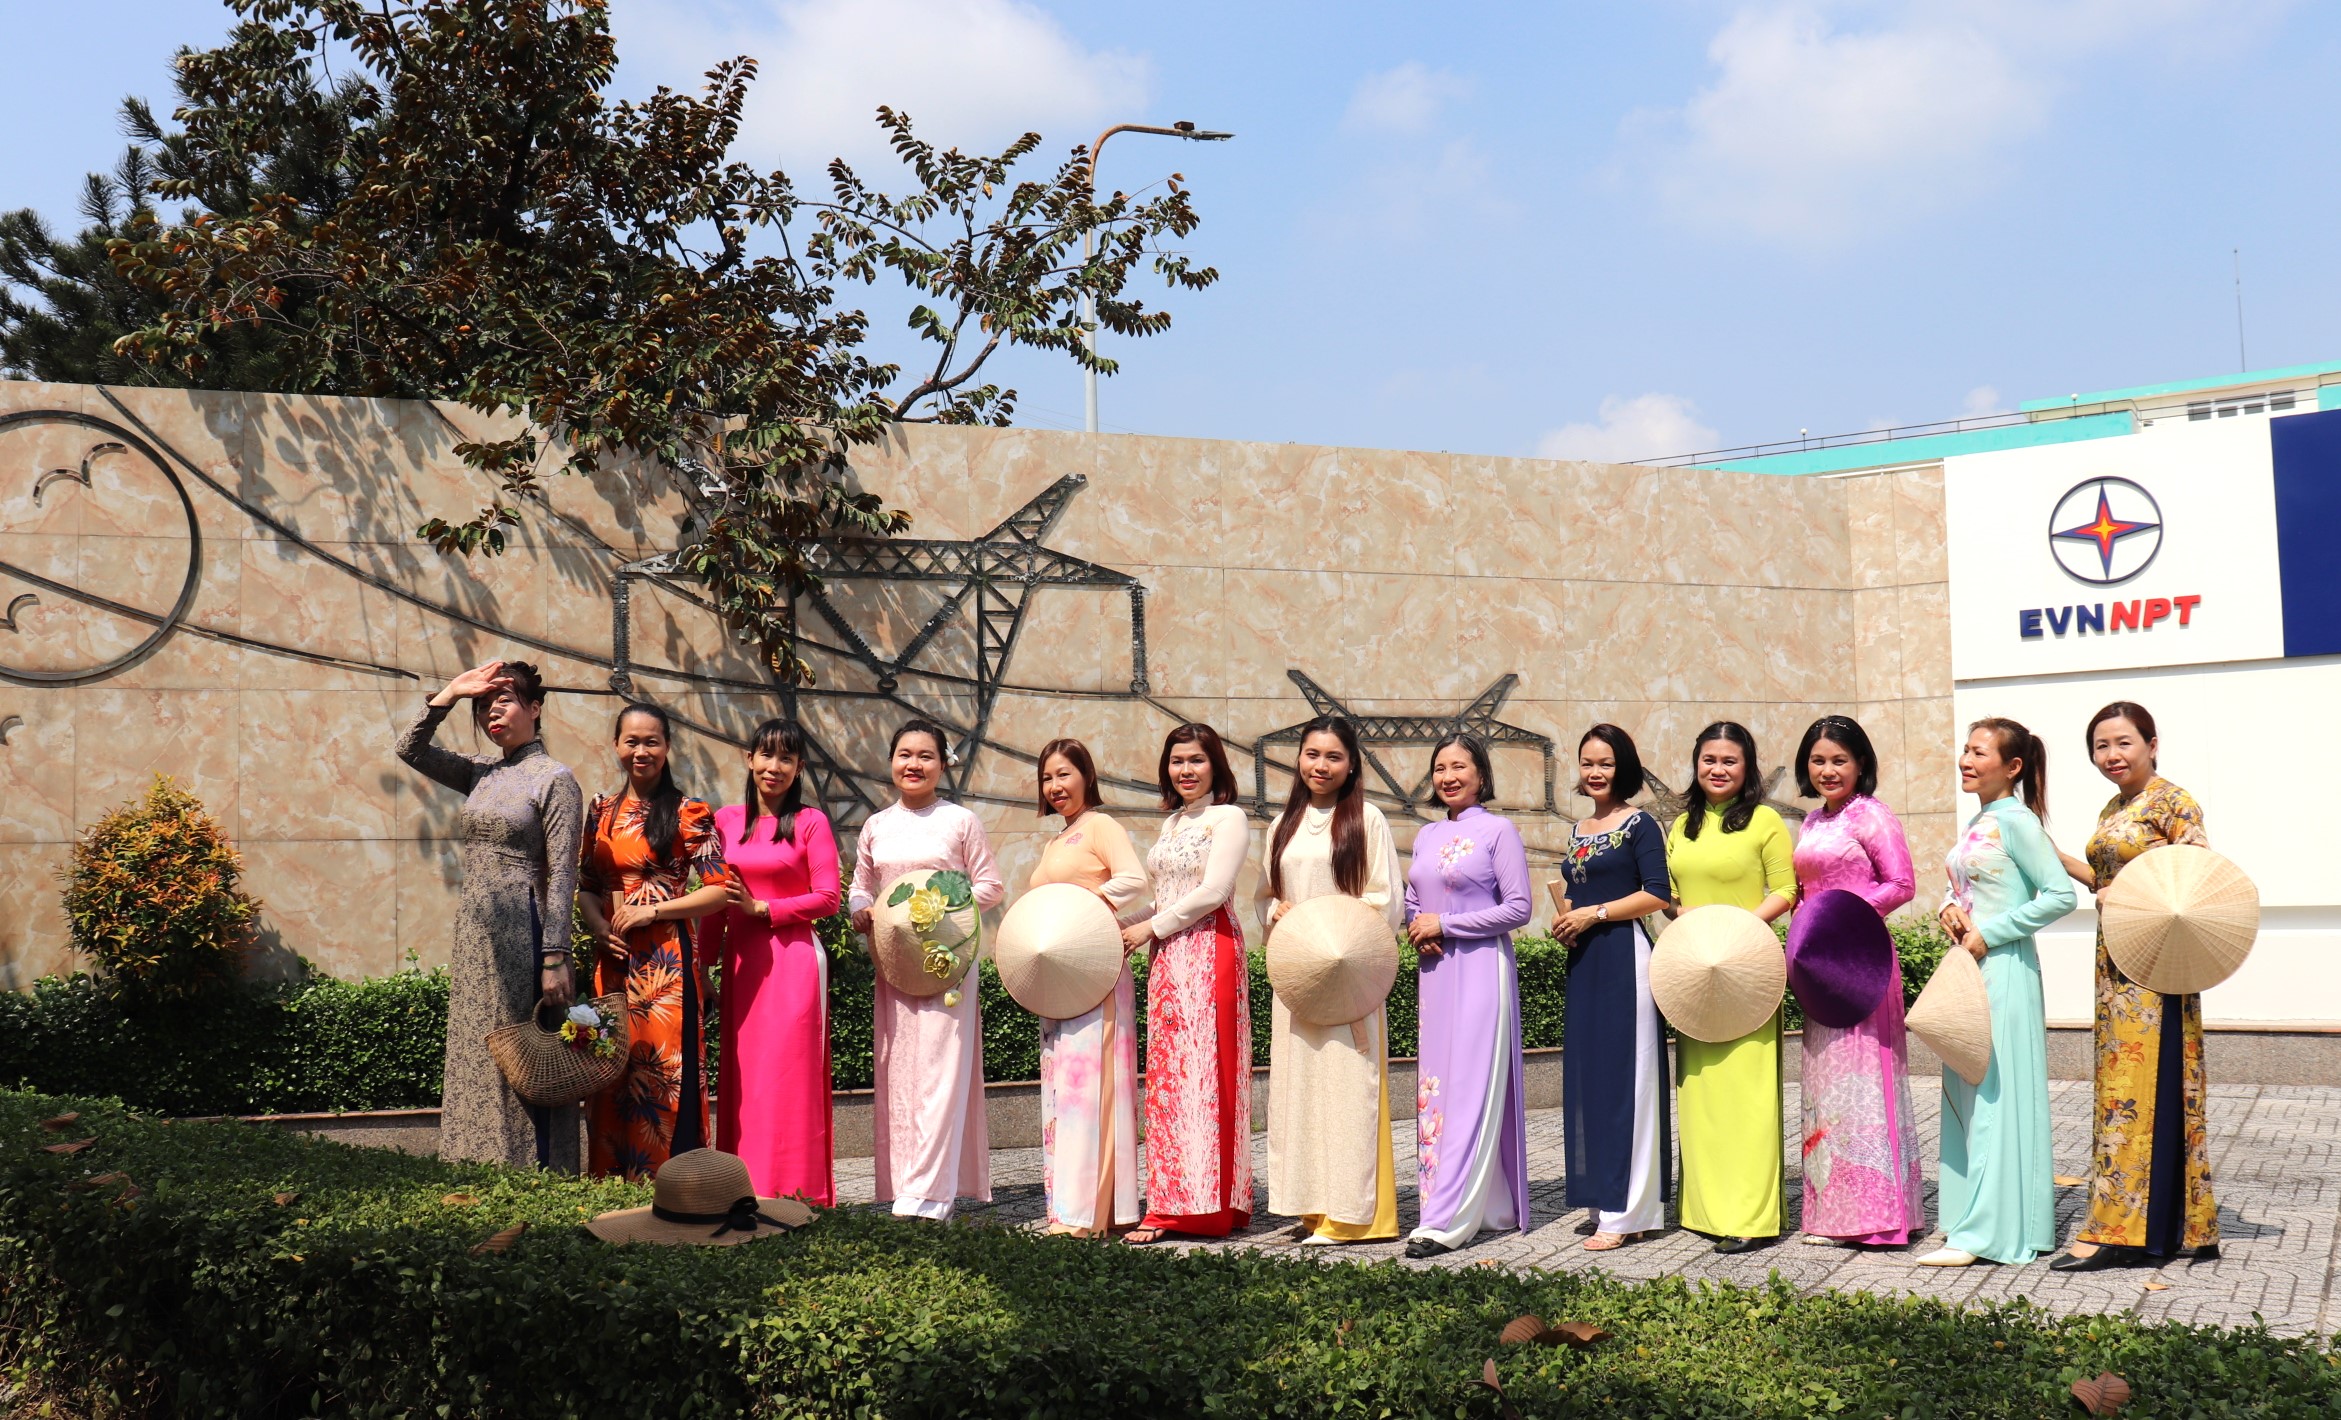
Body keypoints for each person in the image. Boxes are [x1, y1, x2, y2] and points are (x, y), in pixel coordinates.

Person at [2049, 702, 2219, 1272]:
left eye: (2124, 742)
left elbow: (2193, 884)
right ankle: (2166, 1226)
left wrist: (2122, 896)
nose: (2112, 755)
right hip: (2115, 964)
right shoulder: (2115, 806)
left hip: (2156, 970)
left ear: (2151, 744)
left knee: (2139, 1087)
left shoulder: (2174, 803)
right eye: (2101, 746)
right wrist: (2052, 856)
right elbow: (2103, 880)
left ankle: (2122, 1232)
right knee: (2122, 1086)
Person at [395, 659, 584, 1171]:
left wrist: (555, 955)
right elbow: (409, 748)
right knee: (476, 1048)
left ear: (535, 708)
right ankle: (475, 1164)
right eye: (482, 707)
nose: (490, 713)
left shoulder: (555, 779)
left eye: (503, 701)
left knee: (523, 1050)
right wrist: (451, 694)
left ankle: (535, 1170)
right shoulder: (481, 772)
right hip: (476, 930)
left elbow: (563, 873)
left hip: (525, 931)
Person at [1925, 717, 2073, 1267]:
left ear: (2012, 767)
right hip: (1972, 970)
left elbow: (2059, 895)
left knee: (1993, 1095)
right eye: (1965, 750)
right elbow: (1968, 883)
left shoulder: (2018, 822)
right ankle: (1968, 1219)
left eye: (1979, 752)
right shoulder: (1980, 820)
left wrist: (1992, 932)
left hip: (2005, 969)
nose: (1966, 760)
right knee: (1967, 1087)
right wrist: (1948, 905)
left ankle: (1990, 1233)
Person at [848, 719, 1006, 1221]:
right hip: (895, 962)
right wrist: (860, 909)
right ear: (891, 762)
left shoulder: (960, 821)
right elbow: (861, 886)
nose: (913, 764)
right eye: (905, 754)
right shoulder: (876, 826)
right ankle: (904, 1186)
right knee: (898, 1071)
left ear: (942, 765)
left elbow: (990, 886)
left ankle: (932, 1194)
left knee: (941, 1071)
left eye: (925, 756)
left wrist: (942, 907)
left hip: (947, 962)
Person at [1257, 715, 1404, 1245]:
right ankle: (1313, 1208)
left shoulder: (1367, 819)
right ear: (1299, 758)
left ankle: (1355, 1216)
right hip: (1299, 979)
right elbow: (1264, 896)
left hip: (1347, 974)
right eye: (1312, 754)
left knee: (1348, 1088)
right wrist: (1275, 912)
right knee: (1300, 1090)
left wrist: (1336, 928)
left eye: (1333, 756)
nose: (1321, 765)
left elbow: (1386, 899)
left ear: (1352, 764)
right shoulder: (1282, 824)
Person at [576, 703, 734, 1180]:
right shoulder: (600, 810)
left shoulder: (689, 812)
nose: (640, 751)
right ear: (616, 745)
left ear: (667, 748)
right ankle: (610, 1184)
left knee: (665, 1071)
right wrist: (599, 928)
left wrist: (654, 910)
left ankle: (672, 1183)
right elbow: (585, 886)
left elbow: (720, 890)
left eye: (652, 742)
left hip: (667, 963)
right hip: (613, 960)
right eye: (631, 741)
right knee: (611, 1070)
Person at [1789, 715, 1924, 1248]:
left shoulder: (1872, 815)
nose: (1828, 770)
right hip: (1819, 967)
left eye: (1839, 760)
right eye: (1818, 760)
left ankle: (1878, 1217)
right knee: (1825, 1085)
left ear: (1860, 763)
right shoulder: (1811, 821)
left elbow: (1902, 883)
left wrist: (1843, 917)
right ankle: (1833, 1215)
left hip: (1861, 960)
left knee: (1865, 1081)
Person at [1121, 723, 1254, 1246]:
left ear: (1215, 764)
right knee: (1171, 1079)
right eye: (1177, 761)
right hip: (1168, 958)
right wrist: (1119, 923)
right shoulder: (1173, 822)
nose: (1186, 770)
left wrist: (1149, 928)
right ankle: (1177, 1198)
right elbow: (1168, 896)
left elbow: (1214, 890)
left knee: (1206, 1073)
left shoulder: (1229, 817)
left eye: (1196, 760)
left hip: (1208, 950)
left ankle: (1205, 1209)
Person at [1665, 721, 1796, 1254]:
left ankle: (1748, 1217)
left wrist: (1738, 930)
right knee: (1700, 1092)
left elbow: (1786, 889)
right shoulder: (1682, 826)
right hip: (1696, 974)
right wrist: (1687, 920)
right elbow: (1669, 895)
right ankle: (1703, 1210)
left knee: (1748, 1095)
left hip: (1748, 971)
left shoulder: (1765, 821)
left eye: (1730, 761)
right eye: (1709, 759)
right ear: (1696, 764)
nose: (1718, 769)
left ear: (1748, 769)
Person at [1402, 733, 1533, 1258]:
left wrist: (1447, 924)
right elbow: (1414, 899)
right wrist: (1418, 926)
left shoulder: (1498, 830)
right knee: (1436, 1089)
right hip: (1435, 973)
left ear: (1481, 774)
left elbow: (1519, 908)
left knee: (1471, 1086)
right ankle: (1489, 1205)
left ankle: (1445, 1220)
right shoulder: (1426, 834)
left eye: (1459, 766)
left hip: (1481, 969)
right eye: (1440, 768)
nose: (1448, 776)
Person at [704, 718, 842, 1205]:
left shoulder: (811, 822)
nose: (774, 766)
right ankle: (743, 1188)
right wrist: (702, 967)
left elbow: (828, 897)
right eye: (766, 754)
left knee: (791, 1077)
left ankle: (799, 1194)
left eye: (786, 757)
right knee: (747, 1080)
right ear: (749, 758)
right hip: (742, 965)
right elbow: (714, 900)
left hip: (794, 963)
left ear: (799, 767)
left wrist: (763, 909)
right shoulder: (724, 821)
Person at [1553, 724, 1674, 1252]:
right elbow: (1576, 896)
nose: (1595, 772)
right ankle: (1608, 1198)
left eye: (1605, 763)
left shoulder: (1640, 824)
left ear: (1623, 766)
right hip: (1586, 962)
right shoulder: (1579, 828)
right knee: (1595, 1083)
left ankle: (1630, 1210)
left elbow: (1657, 894)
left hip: (1626, 959)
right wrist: (1567, 920)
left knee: (1631, 1083)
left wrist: (1595, 914)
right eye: (1587, 763)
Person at [1027, 738, 1149, 1237]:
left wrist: (1086, 905)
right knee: (1065, 1088)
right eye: (1047, 778)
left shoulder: (1101, 826)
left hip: (1095, 972)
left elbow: (1134, 880)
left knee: (1091, 1088)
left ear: (1087, 777)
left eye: (1064, 774)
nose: (1055, 786)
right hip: (1063, 978)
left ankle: (1086, 1214)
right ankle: (1074, 1206)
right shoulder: (1057, 840)